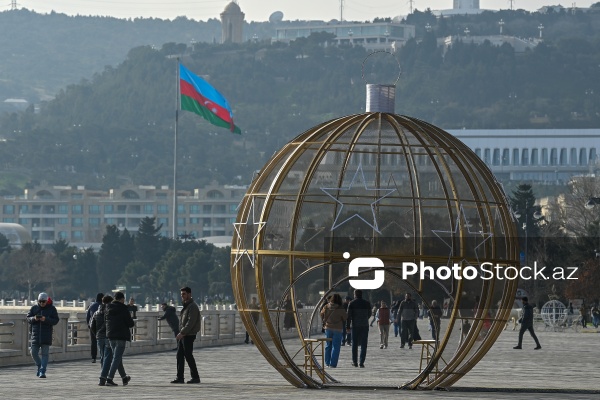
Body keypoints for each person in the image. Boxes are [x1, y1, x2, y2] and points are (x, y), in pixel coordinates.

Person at [92, 295, 131, 386]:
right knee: (111, 358)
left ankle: (124, 377)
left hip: (100, 337)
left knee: (107, 358)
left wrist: (97, 335)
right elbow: (110, 324)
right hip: (109, 336)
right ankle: (105, 378)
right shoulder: (110, 310)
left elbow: (91, 325)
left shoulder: (97, 312)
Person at [101, 291, 135, 386]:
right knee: (117, 358)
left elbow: (105, 321)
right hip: (121, 335)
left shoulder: (108, 307)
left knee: (117, 358)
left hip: (110, 335)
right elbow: (130, 323)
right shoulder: (123, 309)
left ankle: (124, 378)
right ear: (122, 299)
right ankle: (109, 379)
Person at [171, 286, 201, 384]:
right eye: (181, 294)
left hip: (189, 334)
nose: (182, 296)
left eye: (184, 294)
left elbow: (190, 322)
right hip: (184, 334)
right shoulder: (186, 306)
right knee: (179, 355)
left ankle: (195, 377)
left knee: (188, 355)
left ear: (189, 294)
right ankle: (180, 377)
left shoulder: (193, 306)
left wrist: (182, 333)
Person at [26, 292, 59, 378]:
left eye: (43, 301)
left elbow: (56, 320)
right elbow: (28, 318)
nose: (41, 303)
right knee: (33, 353)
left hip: (46, 335)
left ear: (47, 301)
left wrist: (46, 319)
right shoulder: (34, 308)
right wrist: (34, 318)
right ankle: (39, 365)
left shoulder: (52, 309)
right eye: (40, 301)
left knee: (45, 354)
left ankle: (42, 371)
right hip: (35, 335)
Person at [346, 289, 372, 368]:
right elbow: (370, 313)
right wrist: (365, 318)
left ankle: (355, 361)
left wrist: (347, 326)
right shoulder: (366, 303)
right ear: (361, 294)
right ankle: (361, 362)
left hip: (355, 325)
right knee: (364, 344)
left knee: (354, 344)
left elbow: (348, 316)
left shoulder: (352, 303)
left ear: (355, 294)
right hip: (364, 325)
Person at [320, 293, 347, 368]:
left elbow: (321, 314)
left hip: (328, 328)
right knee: (336, 346)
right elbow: (345, 317)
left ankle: (327, 362)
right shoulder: (341, 308)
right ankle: (333, 363)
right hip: (338, 328)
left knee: (328, 345)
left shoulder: (326, 306)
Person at [86, 292, 103, 363]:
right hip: (102, 326)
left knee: (93, 341)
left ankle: (93, 357)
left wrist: (89, 325)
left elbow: (88, 317)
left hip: (92, 326)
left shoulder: (92, 306)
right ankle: (103, 356)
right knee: (103, 341)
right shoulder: (103, 305)